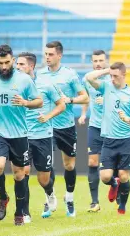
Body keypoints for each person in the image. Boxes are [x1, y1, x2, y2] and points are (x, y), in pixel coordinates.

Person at [0, 45, 43, 225]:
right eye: (0, 63)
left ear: (13, 61)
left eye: (7, 62)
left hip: (18, 133)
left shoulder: (24, 80)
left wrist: (26, 102)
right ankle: (3, 198)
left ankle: (19, 213)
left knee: (19, 175)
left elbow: (39, 101)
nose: (4, 66)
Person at [36, 41, 89, 217]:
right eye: (45, 54)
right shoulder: (40, 74)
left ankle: (70, 198)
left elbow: (85, 97)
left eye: (51, 54)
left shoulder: (70, 75)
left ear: (59, 55)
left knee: (69, 164)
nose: (47, 57)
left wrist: (70, 100)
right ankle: (48, 198)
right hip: (45, 126)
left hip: (65, 126)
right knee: (46, 165)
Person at [86, 62, 130, 215]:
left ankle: (122, 206)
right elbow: (88, 77)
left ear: (124, 75)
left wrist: (128, 119)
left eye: (115, 76)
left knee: (124, 176)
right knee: (105, 176)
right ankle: (113, 183)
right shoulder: (106, 87)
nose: (112, 79)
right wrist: (108, 70)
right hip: (108, 140)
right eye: (111, 76)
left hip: (126, 141)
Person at [16, 53, 66, 222]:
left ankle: (49, 192)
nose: (17, 67)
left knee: (43, 178)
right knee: (23, 173)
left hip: (43, 136)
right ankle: (25, 213)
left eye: (21, 64)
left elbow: (62, 105)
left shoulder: (46, 84)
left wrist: (48, 116)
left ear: (31, 67)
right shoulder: (13, 86)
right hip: (22, 136)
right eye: (17, 64)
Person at [78, 50, 111, 212]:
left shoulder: (112, 78)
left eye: (101, 60)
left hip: (112, 127)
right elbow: (86, 98)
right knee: (92, 162)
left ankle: (116, 187)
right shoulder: (86, 79)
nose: (98, 63)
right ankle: (94, 202)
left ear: (106, 61)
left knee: (113, 166)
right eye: (95, 61)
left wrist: (106, 100)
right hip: (95, 125)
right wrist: (84, 114)